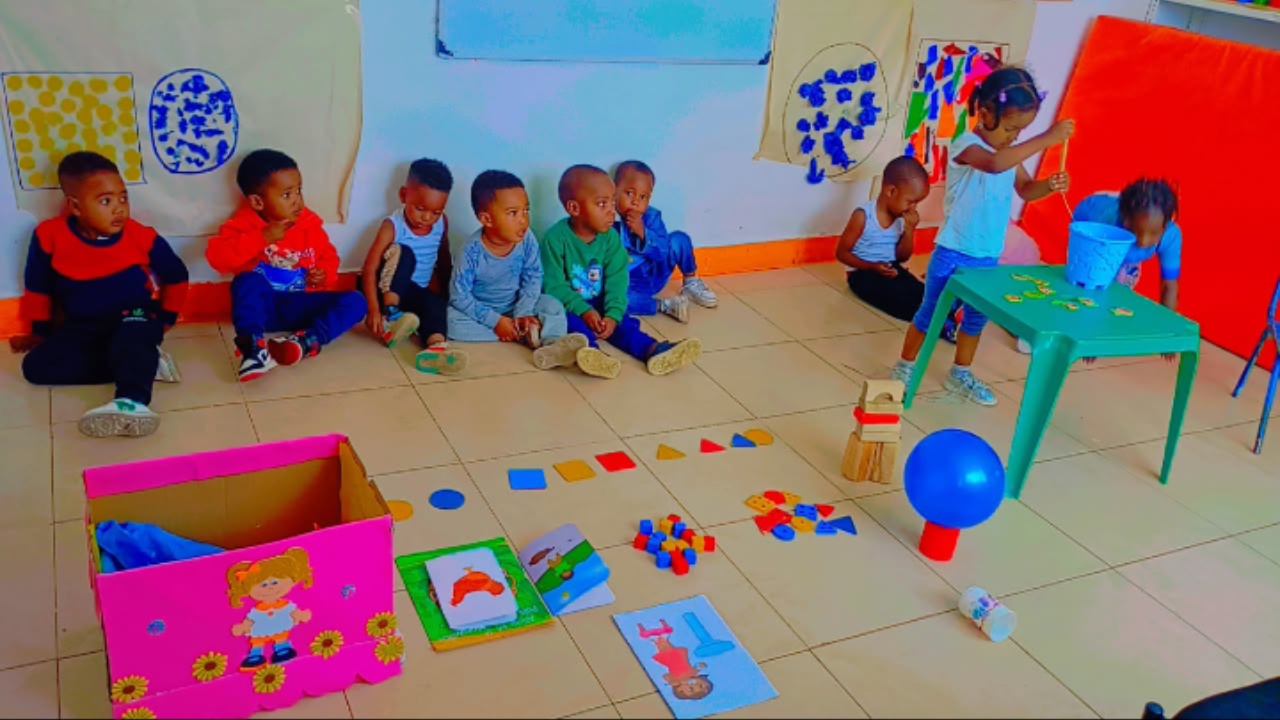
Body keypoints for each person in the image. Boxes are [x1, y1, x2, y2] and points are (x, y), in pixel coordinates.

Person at [891, 66, 1074, 406]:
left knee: (975, 319)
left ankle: (960, 373)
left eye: (1020, 131)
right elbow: (994, 164)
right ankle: (905, 367)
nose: (1013, 137)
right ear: (986, 113)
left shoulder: (1007, 153)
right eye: (1010, 128)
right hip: (953, 251)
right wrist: (1047, 138)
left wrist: (1048, 186)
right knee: (931, 313)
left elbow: (1025, 189)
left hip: (988, 255)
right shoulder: (967, 145)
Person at [9, 151, 188, 438]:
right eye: (106, 201)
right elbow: (38, 287)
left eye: (123, 198)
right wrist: (39, 334)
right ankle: (144, 364)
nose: (119, 209)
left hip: (135, 316)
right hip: (83, 326)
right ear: (75, 207)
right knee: (35, 368)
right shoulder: (49, 236)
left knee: (133, 334)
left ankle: (131, 401)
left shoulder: (140, 235)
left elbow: (176, 274)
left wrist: (165, 320)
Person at [207, 149, 366, 382]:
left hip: (300, 306)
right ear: (257, 202)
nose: (297, 200)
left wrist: (324, 274)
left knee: (357, 301)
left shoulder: (309, 226)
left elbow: (329, 257)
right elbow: (217, 259)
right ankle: (253, 349)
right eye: (286, 194)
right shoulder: (243, 226)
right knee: (246, 281)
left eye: (299, 190)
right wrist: (261, 237)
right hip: (262, 309)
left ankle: (305, 342)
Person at [541, 165, 702, 379]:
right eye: (602, 204)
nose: (611, 211)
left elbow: (617, 281)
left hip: (601, 301)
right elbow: (554, 286)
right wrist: (584, 311)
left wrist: (612, 315)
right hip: (570, 304)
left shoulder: (611, 239)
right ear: (574, 208)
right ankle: (591, 354)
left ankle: (653, 350)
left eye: (612, 202)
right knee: (571, 325)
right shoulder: (555, 239)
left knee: (625, 324)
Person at [1012, 179, 1183, 355]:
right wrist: (1089, 336)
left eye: (1153, 234)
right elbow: (1096, 287)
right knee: (1083, 284)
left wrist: (1169, 333)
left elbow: (1169, 285)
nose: (1144, 241)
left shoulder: (1171, 235)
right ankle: (1040, 328)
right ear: (1125, 220)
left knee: (1119, 288)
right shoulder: (1105, 226)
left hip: (1121, 243)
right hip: (1092, 226)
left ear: (1166, 226)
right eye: (1137, 231)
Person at [447, 169, 591, 371]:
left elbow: (533, 276)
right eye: (513, 213)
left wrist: (523, 312)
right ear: (487, 219)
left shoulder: (527, 239)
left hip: (519, 303)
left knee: (553, 305)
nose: (523, 220)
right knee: (451, 322)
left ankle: (552, 344)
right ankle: (520, 334)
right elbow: (459, 296)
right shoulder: (470, 252)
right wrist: (496, 322)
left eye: (526, 210)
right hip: (483, 309)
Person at [359, 158, 466, 375]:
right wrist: (373, 310)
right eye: (420, 208)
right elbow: (369, 268)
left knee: (435, 304)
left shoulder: (441, 223)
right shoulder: (392, 226)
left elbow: (443, 259)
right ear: (403, 195)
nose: (427, 218)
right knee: (405, 253)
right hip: (386, 290)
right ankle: (391, 318)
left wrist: (448, 295)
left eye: (435, 212)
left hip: (414, 292)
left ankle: (436, 348)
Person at [613, 160, 718, 322]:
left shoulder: (651, 217)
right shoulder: (606, 219)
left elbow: (662, 250)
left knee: (678, 239)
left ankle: (690, 282)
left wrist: (643, 233)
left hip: (655, 271)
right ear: (614, 191)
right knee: (613, 300)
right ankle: (664, 305)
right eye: (629, 193)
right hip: (629, 283)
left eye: (643, 197)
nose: (636, 202)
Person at [835, 156, 931, 321]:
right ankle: (930, 322)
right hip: (862, 272)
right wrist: (871, 266)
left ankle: (945, 316)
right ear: (891, 191)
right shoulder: (863, 216)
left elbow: (902, 257)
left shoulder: (901, 218)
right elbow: (842, 254)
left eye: (917, 203)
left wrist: (909, 230)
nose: (914, 208)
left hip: (890, 269)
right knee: (899, 300)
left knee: (922, 292)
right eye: (910, 202)